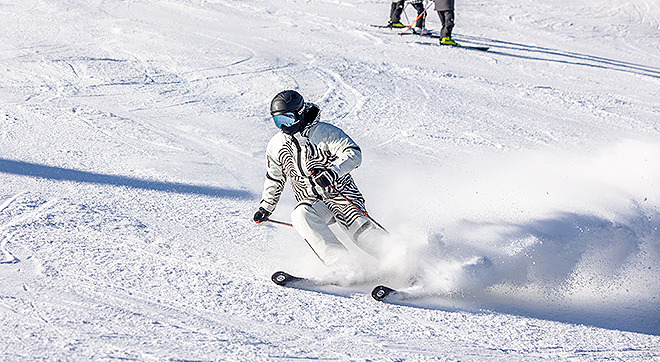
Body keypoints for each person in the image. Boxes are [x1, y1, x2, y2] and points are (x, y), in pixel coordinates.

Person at [253, 90, 387, 266]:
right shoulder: (276, 145)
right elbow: (275, 178)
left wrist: (332, 172)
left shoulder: (324, 132)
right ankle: (342, 265)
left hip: (340, 194)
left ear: (299, 114)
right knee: (301, 214)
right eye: (278, 121)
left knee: (358, 232)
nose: (284, 126)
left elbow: (354, 154)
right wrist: (266, 208)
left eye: (288, 119)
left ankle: (399, 260)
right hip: (312, 201)